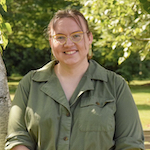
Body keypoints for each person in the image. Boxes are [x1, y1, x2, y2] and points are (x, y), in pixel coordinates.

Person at [5, 9, 144, 150]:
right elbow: (18, 139)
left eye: (76, 36)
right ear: (51, 42)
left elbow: (130, 144)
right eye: (60, 37)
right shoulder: (30, 84)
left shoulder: (115, 85)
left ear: (89, 37)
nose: (68, 43)